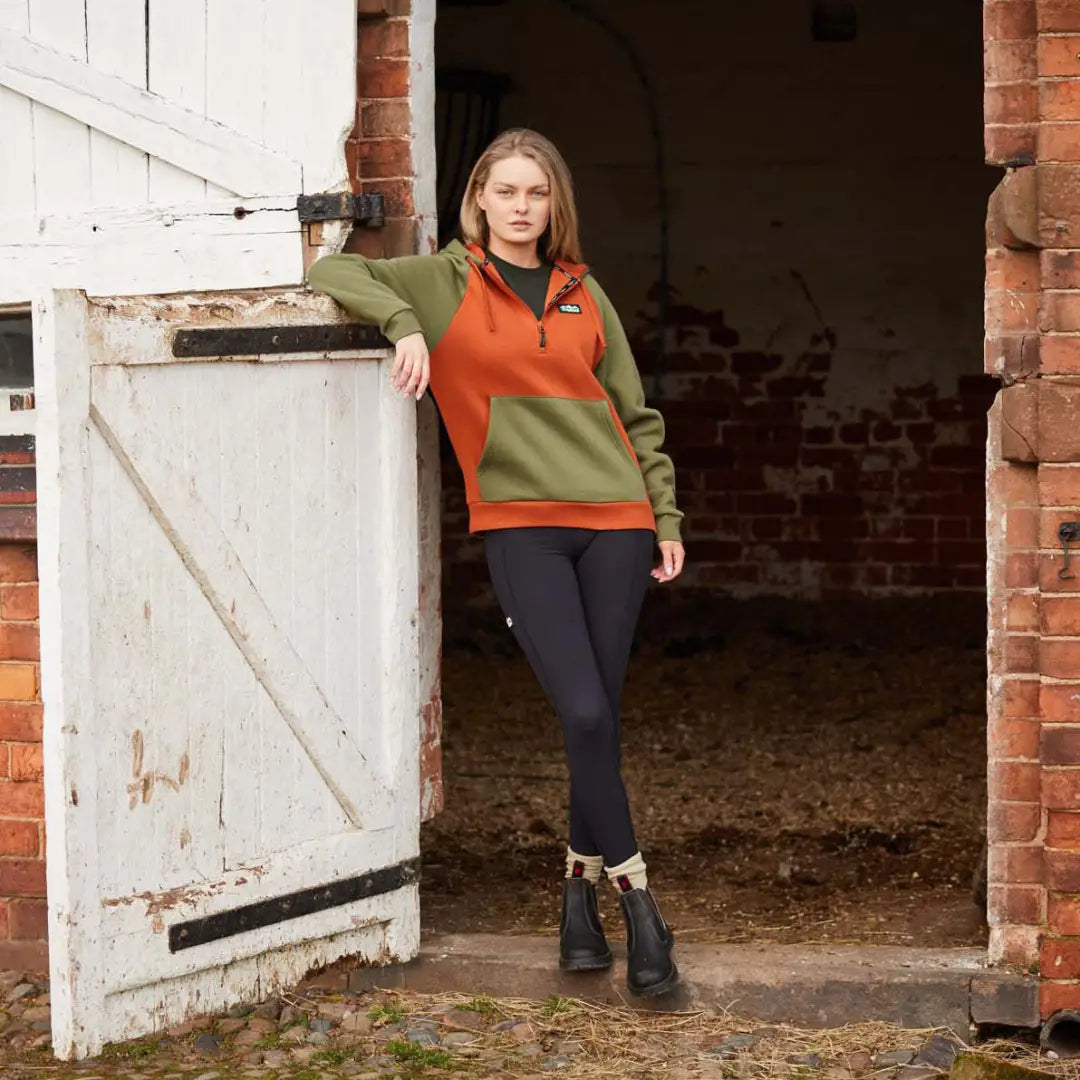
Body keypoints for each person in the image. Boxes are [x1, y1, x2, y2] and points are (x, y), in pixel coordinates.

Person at [307, 128, 685, 996]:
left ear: (555, 206)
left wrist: (663, 513)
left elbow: (635, 414)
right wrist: (404, 325)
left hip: (618, 522)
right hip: (521, 526)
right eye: (506, 192)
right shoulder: (443, 281)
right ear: (478, 198)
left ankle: (577, 909)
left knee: (599, 723)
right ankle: (641, 908)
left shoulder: (584, 293)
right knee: (586, 714)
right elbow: (332, 272)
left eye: (537, 194)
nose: (521, 208)